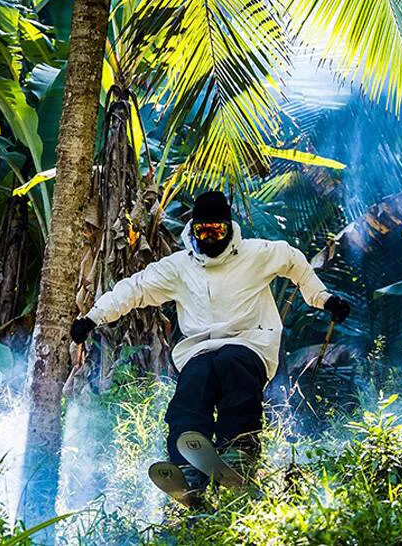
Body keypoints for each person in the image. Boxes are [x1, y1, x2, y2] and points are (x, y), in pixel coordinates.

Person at [69, 190, 350, 490]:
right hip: (200, 349)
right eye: (204, 230)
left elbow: (294, 262)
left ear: (230, 229)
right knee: (194, 381)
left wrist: (324, 299)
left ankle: (239, 452)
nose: (212, 238)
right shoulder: (179, 267)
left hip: (250, 344)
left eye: (218, 230)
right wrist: (92, 318)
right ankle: (187, 468)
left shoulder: (257, 254)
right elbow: (133, 289)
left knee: (233, 364)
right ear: (193, 230)